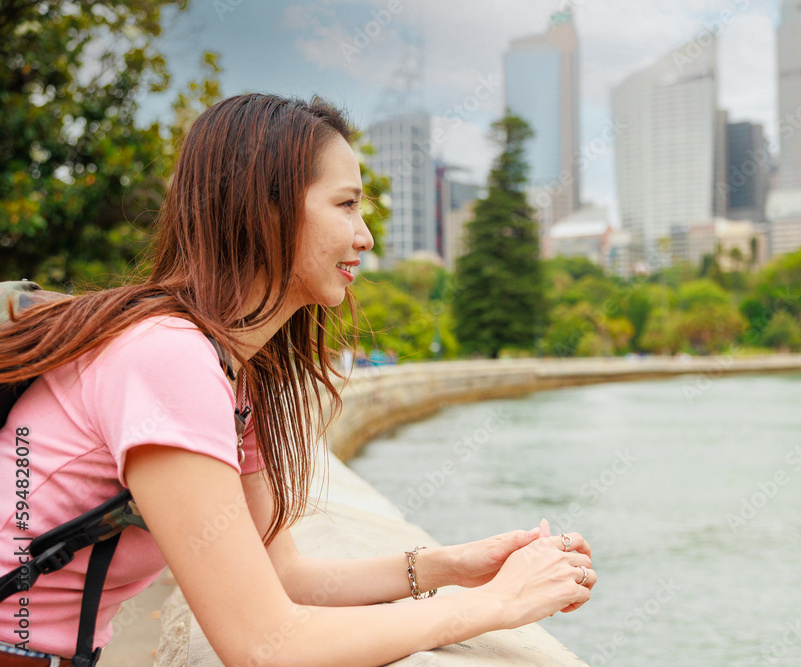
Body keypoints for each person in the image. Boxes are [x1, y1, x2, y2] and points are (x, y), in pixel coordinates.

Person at [0, 93, 595, 666]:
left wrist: (454, 566)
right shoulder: (168, 357)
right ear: (269, 209)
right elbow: (265, 646)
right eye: (346, 205)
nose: (365, 236)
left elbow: (284, 575)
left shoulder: (231, 376)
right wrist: (494, 605)